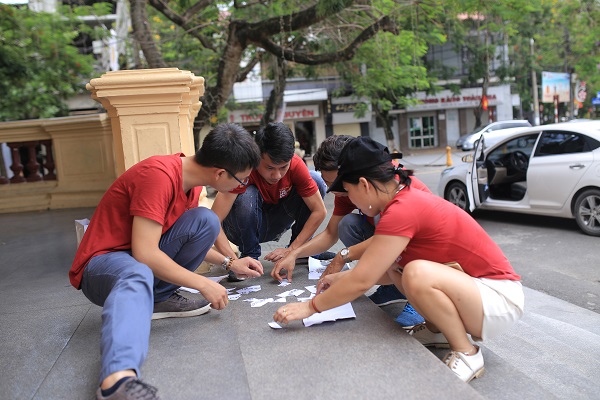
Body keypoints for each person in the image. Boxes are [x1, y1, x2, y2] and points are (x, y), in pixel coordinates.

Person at [273, 136, 524, 383]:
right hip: (473, 292)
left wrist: (309, 307)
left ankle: (468, 353)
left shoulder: (402, 208)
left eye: (348, 191)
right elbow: (384, 270)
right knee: (400, 269)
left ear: (364, 185)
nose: (348, 199)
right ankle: (438, 330)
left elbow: (364, 279)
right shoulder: (397, 199)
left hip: (498, 300)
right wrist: (341, 277)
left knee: (416, 273)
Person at [69, 123, 264, 400]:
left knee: (205, 220)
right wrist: (202, 283)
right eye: (241, 180)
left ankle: (157, 298)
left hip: (136, 261)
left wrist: (230, 264)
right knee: (136, 273)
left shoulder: (189, 183)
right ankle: (117, 380)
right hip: (101, 264)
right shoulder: (158, 176)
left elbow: (177, 239)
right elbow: (145, 253)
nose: (241, 186)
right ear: (220, 173)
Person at [271, 135, 428, 328]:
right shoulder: (347, 189)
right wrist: (293, 253)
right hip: (396, 244)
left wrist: (343, 260)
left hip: (429, 259)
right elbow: (331, 233)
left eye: (335, 184)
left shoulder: (394, 189)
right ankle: (395, 285)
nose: (332, 190)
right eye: (329, 184)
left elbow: (387, 239)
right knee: (348, 224)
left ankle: (419, 300)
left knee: (379, 223)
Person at [211, 122, 328, 281]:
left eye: (283, 167)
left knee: (316, 180)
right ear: (257, 156)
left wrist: (293, 250)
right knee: (247, 194)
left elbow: (319, 211)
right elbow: (213, 220)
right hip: (240, 228)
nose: (277, 175)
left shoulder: (295, 165)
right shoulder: (243, 168)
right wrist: (232, 262)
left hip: (275, 222)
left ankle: (298, 255)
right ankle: (249, 257)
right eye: (270, 168)